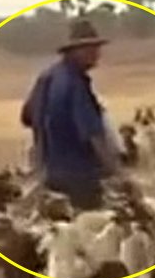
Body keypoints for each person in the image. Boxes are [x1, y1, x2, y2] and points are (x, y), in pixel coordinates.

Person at [20, 18, 122, 210]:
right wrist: (116, 173)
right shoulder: (76, 84)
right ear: (74, 52)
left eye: (97, 48)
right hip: (79, 179)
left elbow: (27, 117)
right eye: (90, 49)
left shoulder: (46, 77)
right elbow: (93, 135)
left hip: (47, 174)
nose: (96, 54)